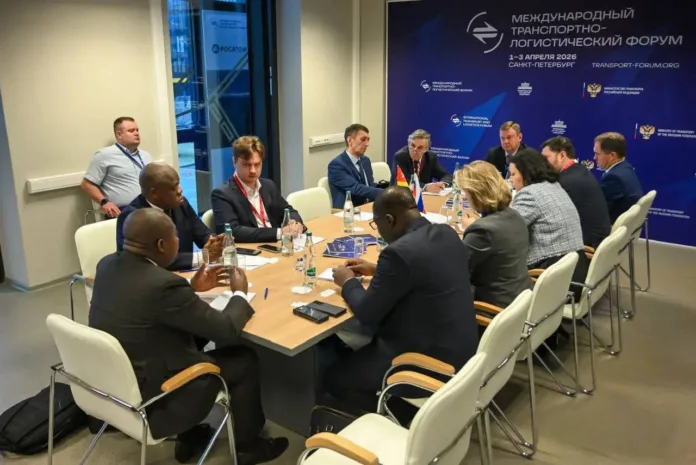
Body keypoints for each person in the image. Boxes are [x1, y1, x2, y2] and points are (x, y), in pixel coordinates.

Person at [89, 209, 288, 464]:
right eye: (175, 236)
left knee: (193, 337)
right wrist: (239, 294)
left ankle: (190, 437)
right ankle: (248, 447)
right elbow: (226, 331)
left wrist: (191, 289)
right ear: (161, 245)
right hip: (157, 399)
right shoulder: (162, 284)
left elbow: (149, 310)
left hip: (112, 385)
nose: (178, 241)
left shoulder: (107, 264)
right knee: (244, 359)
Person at [325, 186, 478, 423]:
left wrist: (347, 282)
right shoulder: (446, 232)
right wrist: (377, 270)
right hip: (464, 352)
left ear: (389, 219)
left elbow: (367, 312)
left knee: (334, 378)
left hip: (424, 363)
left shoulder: (398, 253)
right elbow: (422, 269)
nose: (379, 231)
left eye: (377, 224)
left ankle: (403, 418)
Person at [508, 149, 589, 296]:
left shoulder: (529, 193)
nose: (511, 180)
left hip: (554, 282)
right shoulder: (553, 185)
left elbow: (504, 231)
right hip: (576, 273)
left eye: (513, 174)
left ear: (526, 173)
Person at [116, 163, 223, 271]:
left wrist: (217, 244)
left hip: (186, 273)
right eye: (173, 187)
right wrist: (202, 257)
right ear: (154, 193)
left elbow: (203, 234)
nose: (180, 190)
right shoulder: (133, 217)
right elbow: (149, 260)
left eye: (178, 184)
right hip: (154, 278)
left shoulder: (181, 204)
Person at [456, 161, 531, 309]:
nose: (465, 197)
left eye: (466, 192)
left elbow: (456, 271)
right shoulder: (514, 215)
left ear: (476, 193)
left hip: (494, 309)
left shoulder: (482, 231)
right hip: (519, 300)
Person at [211, 136, 305, 242]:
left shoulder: (268, 186)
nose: (253, 170)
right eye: (247, 165)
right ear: (234, 162)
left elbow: (288, 210)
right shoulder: (222, 194)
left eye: (257, 164)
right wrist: (280, 233)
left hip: (279, 244)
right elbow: (232, 231)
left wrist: (295, 223)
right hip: (252, 248)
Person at [541, 136, 611, 249]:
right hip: (598, 239)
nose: (543, 163)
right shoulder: (580, 170)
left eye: (546, 158)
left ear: (562, 155)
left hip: (587, 246)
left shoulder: (565, 181)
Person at [81, 117, 153, 217]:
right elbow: (86, 185)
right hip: (124, 212)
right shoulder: (104, 155)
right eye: (131, 131)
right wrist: (104, 202)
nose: (136, 133)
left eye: (137, 130)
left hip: (150, 208)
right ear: (119, 134)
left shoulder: (146, 156)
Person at [328, 124, 383, 209]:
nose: (367, 144)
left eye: (368, 140)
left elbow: (370, 186)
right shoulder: (336, 165)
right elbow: (356, 188)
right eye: (363, 139)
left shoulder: (365, 161)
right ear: (350, 140)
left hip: (369, 207)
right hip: (349, 211)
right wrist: (387, 193)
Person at [593, 132, 644, 223]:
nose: (594, 158)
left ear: (612, 156)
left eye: (598, 154)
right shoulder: (626, 167)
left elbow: (596, 209)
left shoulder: (614, 178)